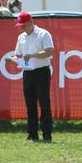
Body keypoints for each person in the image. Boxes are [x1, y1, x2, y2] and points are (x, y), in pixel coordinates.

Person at [3, 12, 54, 142]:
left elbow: (48, 52)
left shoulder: (43, 34)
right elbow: (18, 55)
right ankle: (32, 134)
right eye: (21, 26)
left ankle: (47, 134)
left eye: (24, 25)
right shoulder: (21, 37)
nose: (22, 28)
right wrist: (11, 59)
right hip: (28, 73)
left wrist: (32, 55)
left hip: (41, 72)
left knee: (44, 104)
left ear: (31, 22)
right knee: (30, 105)